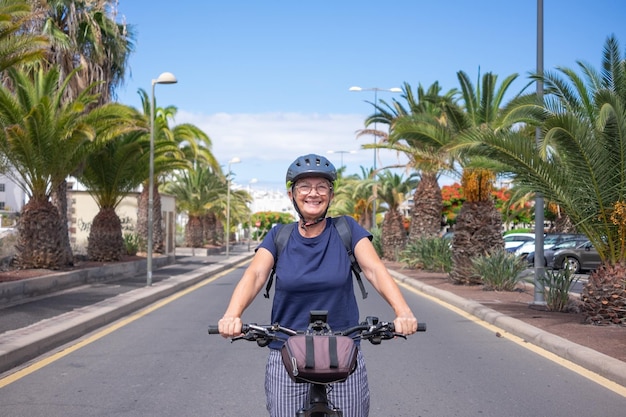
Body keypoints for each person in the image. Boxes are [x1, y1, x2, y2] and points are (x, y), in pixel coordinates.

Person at [218, 153, 418, 417]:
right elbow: (255, 275)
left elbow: (375, 270)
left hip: (342, 351)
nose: (313, 193)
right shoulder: (279, 235)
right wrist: (232, 314)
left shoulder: (347, 230)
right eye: (304, 186)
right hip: (286, 351)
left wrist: (403, 312)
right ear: (292, 195)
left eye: (321, 186)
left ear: (331, 195)